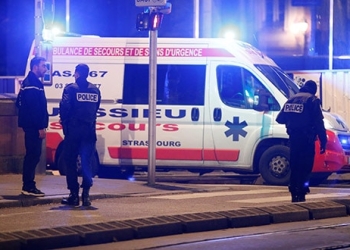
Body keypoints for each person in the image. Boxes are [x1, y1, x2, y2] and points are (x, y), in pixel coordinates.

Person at [276, 80, 327, 203]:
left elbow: (280, 119)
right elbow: (319, 123)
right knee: (305, 166)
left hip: (293, 139)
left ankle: (293, 191)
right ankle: (302, 191)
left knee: (295, 165)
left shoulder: (291, 99)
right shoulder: (312, 100)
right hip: (307, 140)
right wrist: (323, 141)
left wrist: (293, 120)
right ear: (313, 90)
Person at [59, 64, 101, 207]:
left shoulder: (70, 89)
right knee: (87, 163)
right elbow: (95, 109)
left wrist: (66, 127)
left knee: (70, 162)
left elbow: (64, 109)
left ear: (77, 74)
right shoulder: (95, 90)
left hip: (74, 132)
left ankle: (74, 195)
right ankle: (86, 196)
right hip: (89, 132)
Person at [16, 56, 48, 197]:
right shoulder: (32, 84)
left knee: (33, 155)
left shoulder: (29, 82)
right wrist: (40, 127)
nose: (45, 69)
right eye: (43, 66)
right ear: (35, 67)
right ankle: (28, 185)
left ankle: (28, 184)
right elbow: (35, 108)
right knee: (33, 155)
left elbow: (19, 103)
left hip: (31, 125)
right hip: (33, 126)